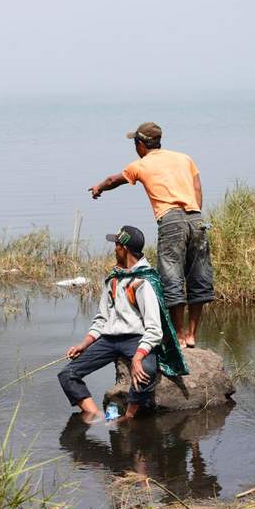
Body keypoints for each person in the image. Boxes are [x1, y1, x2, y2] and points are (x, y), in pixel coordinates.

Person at [89, 122, 214, 348]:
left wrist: (98, 187)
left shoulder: (141, 164)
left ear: (140, 144)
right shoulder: (184, 158)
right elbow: (197, 188)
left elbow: (112, 181)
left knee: (171, 275)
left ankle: (178, 335)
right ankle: (193, 335)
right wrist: (194, 215)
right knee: (199, 276)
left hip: (170, 220)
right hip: (196, 217)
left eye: (134, 144)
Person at [58, 225, 185, 422]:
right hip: (109, 340)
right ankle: (95, 415)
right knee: (68, 374)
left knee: (147, 370)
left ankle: (129, 416)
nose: (114, 249)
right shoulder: (114, 279)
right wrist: (84, 344)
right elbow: (101, 319)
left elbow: (154, 329)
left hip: (136, 339)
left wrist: (138, 357)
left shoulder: (144, 281)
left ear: (124, 249)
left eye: (116, 245)